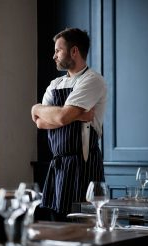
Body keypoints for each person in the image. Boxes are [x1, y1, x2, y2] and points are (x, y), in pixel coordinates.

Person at [31, 27, 107, 221]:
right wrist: (36, 109)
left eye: (58, 50)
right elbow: (40, 123)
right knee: (57, 226)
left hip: (84, 165)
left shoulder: (93, 80)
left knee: (83, 227)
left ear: (74, 51)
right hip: (58, 165)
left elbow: (62, 118)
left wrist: (47, 111)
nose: (54, 56)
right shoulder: (55, 84)